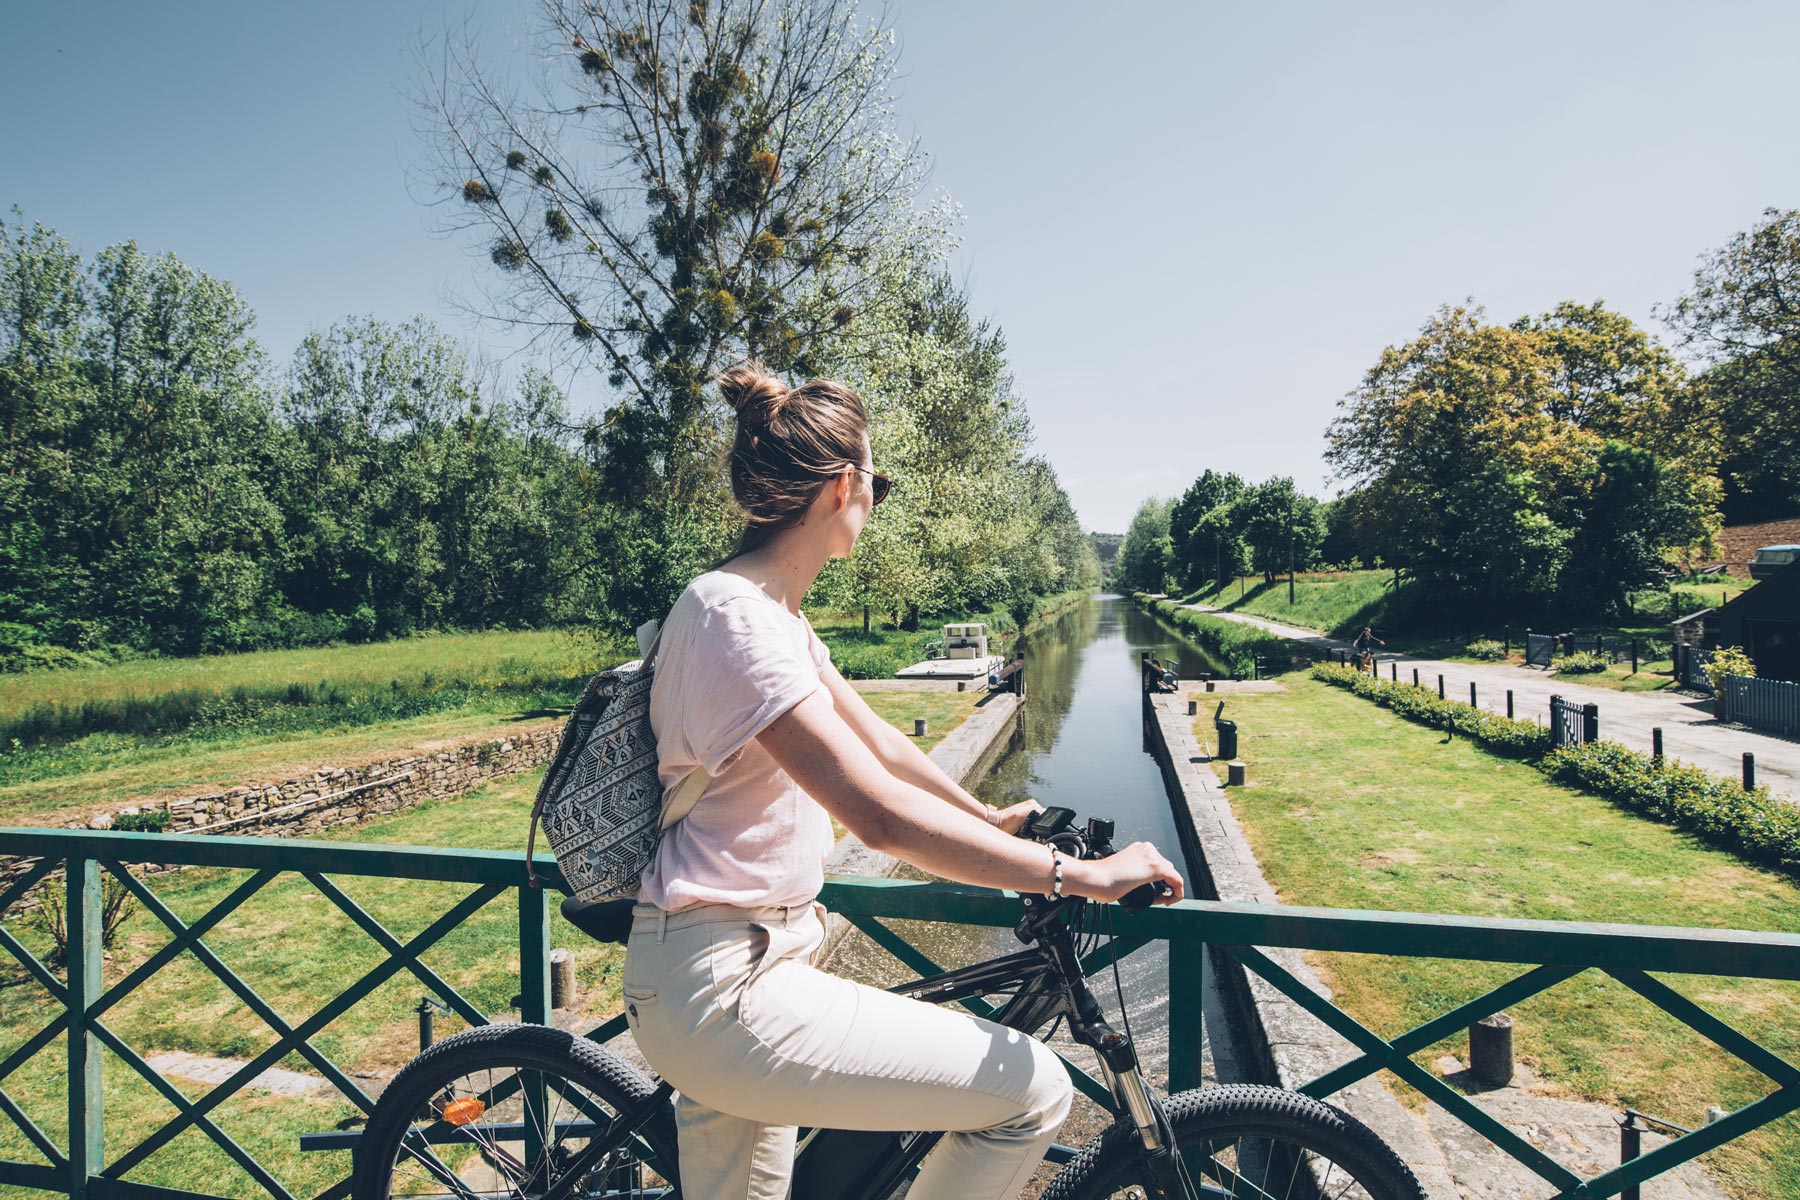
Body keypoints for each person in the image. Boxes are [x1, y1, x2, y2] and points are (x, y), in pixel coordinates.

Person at [621, 362, 1185, 1200]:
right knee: (1033, 1093)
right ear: (844, 485)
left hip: (737, 966)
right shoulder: (736, 619)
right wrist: (1084, 877)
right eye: (876, 482)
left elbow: (881, 744)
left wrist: (987, 818)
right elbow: (877, 816)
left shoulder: (770, 615)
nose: (876, 501)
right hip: (727, 988)